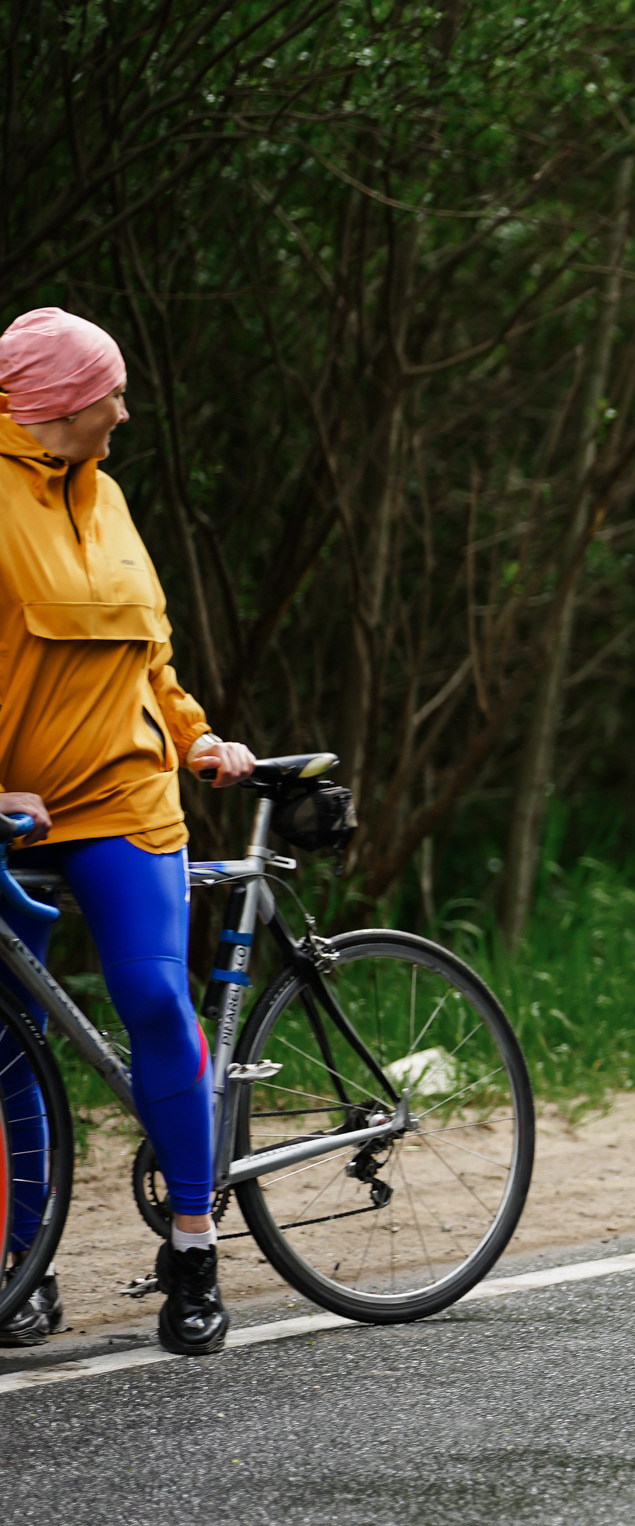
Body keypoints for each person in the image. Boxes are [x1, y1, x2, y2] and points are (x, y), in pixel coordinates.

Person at [0, 307, 257, 1356]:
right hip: (13, 803)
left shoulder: (108, 498)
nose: (124, 411)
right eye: (110, 393)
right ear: (61, 405)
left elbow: (147, 662)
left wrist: (197, 737)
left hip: (125, 794)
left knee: (156, 994)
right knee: (8, 1036)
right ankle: (23, 1266)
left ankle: (192, 1249)